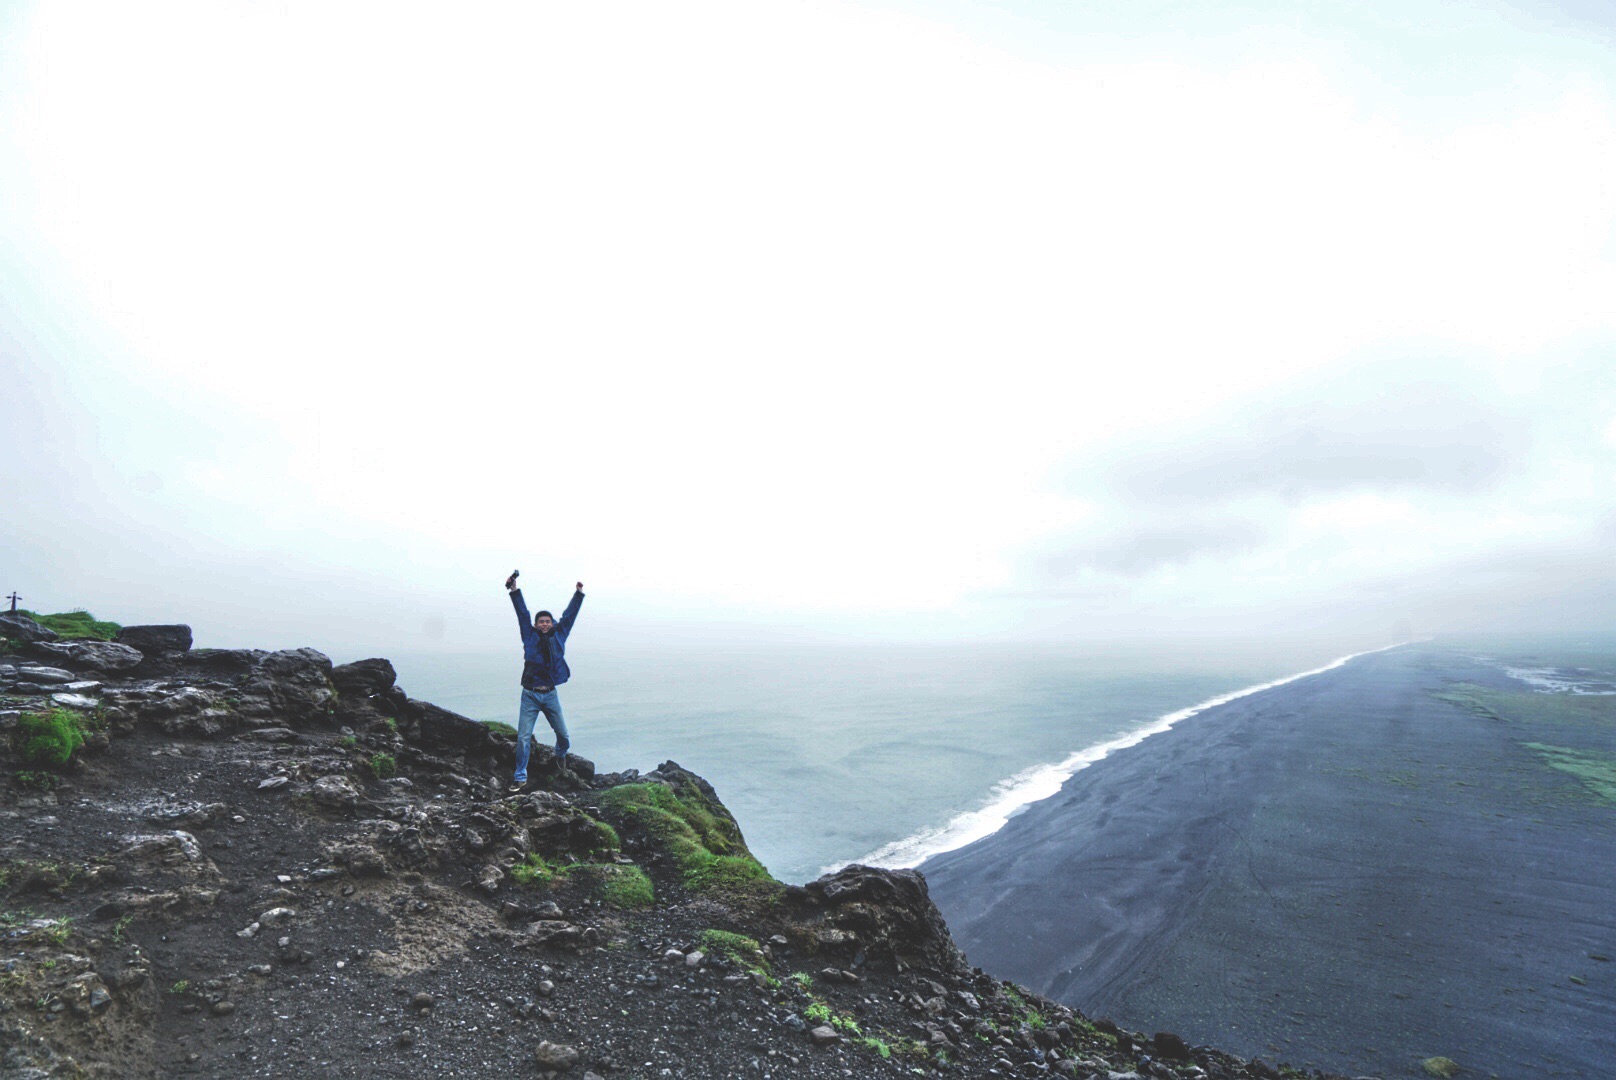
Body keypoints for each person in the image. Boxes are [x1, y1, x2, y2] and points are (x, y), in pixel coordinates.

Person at [505, 571, 584, 791]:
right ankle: (520, 776)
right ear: (536, 624)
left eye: (548, 621)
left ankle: (560, 756)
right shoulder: (528, 635)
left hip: (550, 694)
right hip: (530, 694)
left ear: (553, 623)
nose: (545, 624)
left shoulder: (560, 635)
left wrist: (578, 594)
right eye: (541, 621)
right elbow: (522, 612)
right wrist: (514, 589)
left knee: (564, 737)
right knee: (523, 738)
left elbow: (570, 616)